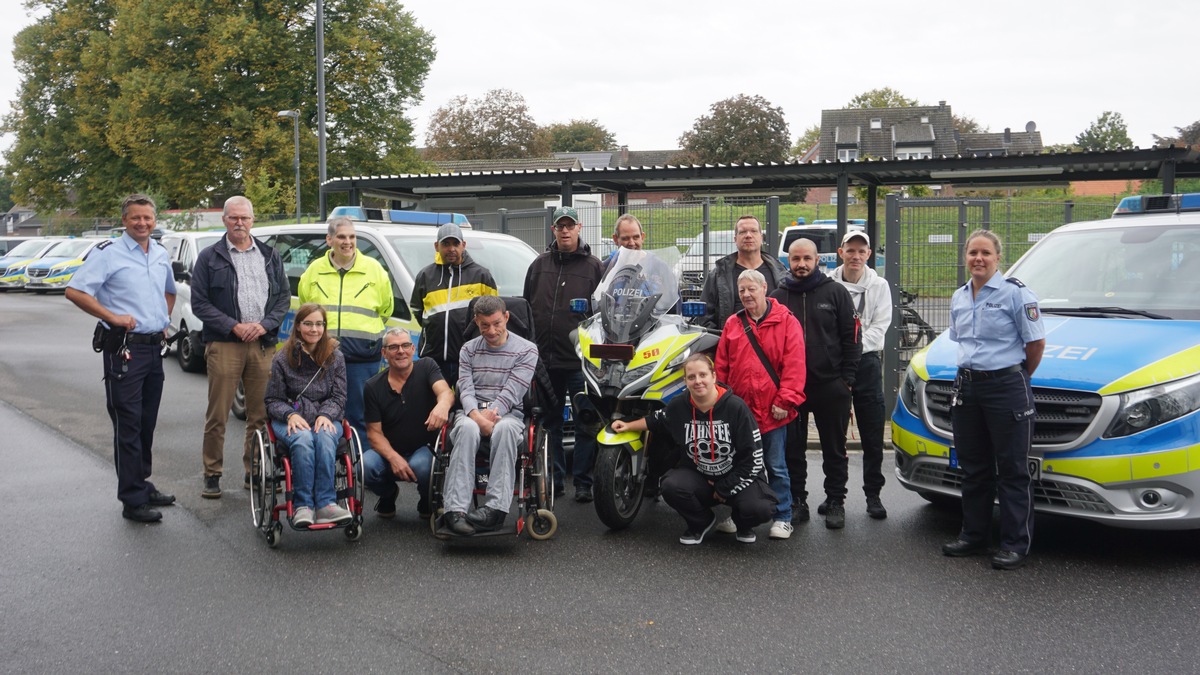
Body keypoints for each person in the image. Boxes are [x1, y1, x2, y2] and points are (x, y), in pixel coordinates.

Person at [66, 194, 177, 523]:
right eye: (135, 218)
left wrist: (162, 320)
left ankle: (142, 483)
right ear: (124, 220)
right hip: (124, 349)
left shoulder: (158, 253)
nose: (142, 223)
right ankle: (132, 499)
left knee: (146, 422)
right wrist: (112, 316)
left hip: (153, 348)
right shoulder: (108, 254)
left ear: (154, 220)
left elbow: (169, 291)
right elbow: (75, 291)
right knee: (127, 424)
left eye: (148, 218)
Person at [941, 230, 1045, 571]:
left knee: (1013, 470)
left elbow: (1035, 345)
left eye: (985, 253)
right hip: (967, 388)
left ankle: (1015, 544)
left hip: (1006, 386)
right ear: (965, 257)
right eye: (973, 252)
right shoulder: (959, 297)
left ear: (998, 258)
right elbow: (961, 341)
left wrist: (1014, 378)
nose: (978, 259)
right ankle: (974, 536)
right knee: (973, 468)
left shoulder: (1016, 294)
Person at [611, 354, 777, 545]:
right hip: (702, 479)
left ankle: (742, 523)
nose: (698, 381)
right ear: (685, 381)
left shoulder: (736, 408)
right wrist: (628, 425)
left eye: (703, 375)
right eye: (691, 377)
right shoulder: (679, 406)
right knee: (670, 485)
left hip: (737, 478)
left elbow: (753, 460)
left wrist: (724, 488)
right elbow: (655, 420)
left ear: (713, 376)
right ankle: (701, 522)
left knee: (760, 508)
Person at [191, 195, 290, 499]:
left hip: (262, 344)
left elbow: (283, 298)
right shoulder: (210, 257)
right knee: (218, 415)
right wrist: (233, 325)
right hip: (224, 344)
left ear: (252, 220)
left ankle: (254, 471)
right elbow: (199, 303)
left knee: (259, 416)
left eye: (244, 218)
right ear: (224, 220)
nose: (239, 223)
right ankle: (212, 474)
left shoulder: (270, 255)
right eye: (233, 218)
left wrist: (263, 325)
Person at [771, 238, 861, 529]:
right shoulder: (778, 296)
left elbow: (852, 338)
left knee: (833, 448)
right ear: (787, 261)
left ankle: (836, 500)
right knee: (792, 450)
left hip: (831, 386)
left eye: (807, 258)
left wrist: (847, 380)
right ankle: (798, 500)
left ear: (817, 259)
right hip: (791, 388)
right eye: (795, 259)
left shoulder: (836, 292)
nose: (801, 264)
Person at [714, 269, 806, 540]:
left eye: (751, 289)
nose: (746, 294)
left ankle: (783, 516)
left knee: (775, 464)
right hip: (740, 412)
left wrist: (785, 401)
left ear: (765, 288)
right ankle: (740, 514)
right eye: (741, 290)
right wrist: (723, 402)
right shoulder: (733, 323)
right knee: (738, 465)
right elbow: (722, 367)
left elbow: (795, 366)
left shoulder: (787, 322)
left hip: (772, 410)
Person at [522, 206, 602, 502]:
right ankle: (554, 479)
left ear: (579, 228)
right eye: (560, 226)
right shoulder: (539, 265)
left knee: (586, 421)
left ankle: (583, 482)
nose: (565, 231)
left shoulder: (594, 266)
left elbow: (601, 314)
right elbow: (527, 307)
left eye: (570, 225)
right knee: (550, 422)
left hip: (579, 362)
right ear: (553, 229)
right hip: (544, 361)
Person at [441, 297, 539, 535]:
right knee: (465, 429)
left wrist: (491, 415)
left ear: (506, 317)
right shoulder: (468, 349)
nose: (491, 331)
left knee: (504, 429)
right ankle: (455, 511)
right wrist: (476, 416)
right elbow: (464, 387)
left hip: (507, 415)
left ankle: (495, 509)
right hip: (471, 413)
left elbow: (514, 389)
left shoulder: (527, 349)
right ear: (476, 321)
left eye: (496, 323)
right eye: (485, 325)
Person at [298, 216, 394, 448]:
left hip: (363, 358)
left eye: (352, 237)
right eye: (341, 236)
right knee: (323, 414)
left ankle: (362, 468)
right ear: (329, 239)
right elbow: (306, 308)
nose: (347, 242)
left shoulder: (374, 270)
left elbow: (386, 308)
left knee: (361, 415)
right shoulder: (313, 271)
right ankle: (331, 465)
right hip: (321, 358)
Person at [263, 303, 352, 526]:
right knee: (303, 439)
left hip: (327, 416)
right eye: (308, 324)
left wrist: (326, 414)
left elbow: (339, 397)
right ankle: (303, 506)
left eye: (319, 324)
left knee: (324, 436)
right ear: (298, 327)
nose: (314, 329)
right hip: (291, 417)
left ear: (324, 327)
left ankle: (326, 504)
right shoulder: (283, 358)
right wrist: (289, 416)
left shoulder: (335, 357)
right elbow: (273, 400)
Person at [829, 231, 893, 519]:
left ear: (869, 254)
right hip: (835, 366)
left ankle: (873, 495)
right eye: (850, 250)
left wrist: (854, 349)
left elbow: (880, 328)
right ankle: (835, 497)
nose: (856, 256)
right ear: (841, 252)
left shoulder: (879, 285)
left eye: (861, 251)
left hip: (866, 364)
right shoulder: (828, 284)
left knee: (872, 432)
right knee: (834, 434)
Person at [362, 327, 454, 520]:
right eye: (393, 347)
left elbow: (445, 392)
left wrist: (442, 405)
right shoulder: (372, 386)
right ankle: (388, 494)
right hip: (389, 451)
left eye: (405, 345)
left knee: (421, 466)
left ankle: (427, 499)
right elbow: (374, 434)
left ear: (413, 348)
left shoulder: (427, 366)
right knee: (366, 466)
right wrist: (394, 458)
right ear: (384, 353)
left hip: (424, 448)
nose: (400, 351)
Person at [409, 222, 498, 385]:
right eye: (446, 244)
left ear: (463, 245)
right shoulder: (425, 275)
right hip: (433, 359)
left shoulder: (481, 275)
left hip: (468, 359)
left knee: (465, 406)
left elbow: (494, 315)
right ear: (437, 246)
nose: (451, 249)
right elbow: (417, 310)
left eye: (456, 244)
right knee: (434, 407)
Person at [699, 214, 788, 330]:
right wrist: (722, 340)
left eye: (753, 231)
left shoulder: (779, 272)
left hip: (774, 344)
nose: (748, 236)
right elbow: (704, 316)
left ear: (761, 237)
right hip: (733, 344)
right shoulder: (719, 275)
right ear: (735, 239)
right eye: (742, 232)